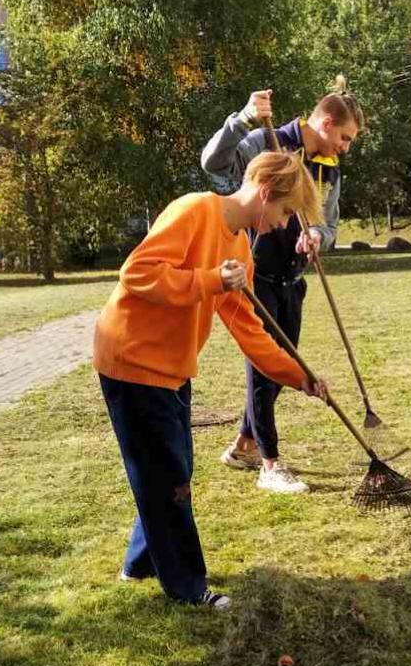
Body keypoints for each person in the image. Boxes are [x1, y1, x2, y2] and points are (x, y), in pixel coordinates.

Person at [93, 151, 329, 611]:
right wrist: (209, 280)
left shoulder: (240, 248)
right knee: (170, 475)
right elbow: (137, 274)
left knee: (168, 469)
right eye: (284, 212)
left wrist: (300, 377)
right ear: (265, 194)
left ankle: (139, 564)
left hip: (172, 366)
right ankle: (187, 587)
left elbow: (251, 332)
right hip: (132, 358)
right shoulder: (194, 210)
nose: (283, 226)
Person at [201, 84, 363, 494]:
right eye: (344, 137)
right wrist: (242, 119)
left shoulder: (330, 169)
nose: (345, 147)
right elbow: (213, 163)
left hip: (294, 280)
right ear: (326, 123)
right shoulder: (265, 141)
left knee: (279, 372)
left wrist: (317, 236)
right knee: (262, 368)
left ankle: (244, 444)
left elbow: (329, 224)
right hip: (256, 279)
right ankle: (269, 465)